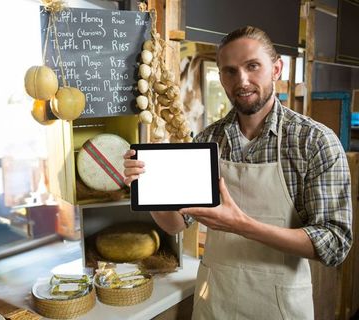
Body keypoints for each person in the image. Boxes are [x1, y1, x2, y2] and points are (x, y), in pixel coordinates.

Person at [123, 26, 353, 319]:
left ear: (276, 69)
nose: (242, 80)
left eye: (252, 66)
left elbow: (334, 244)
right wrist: (145, 187)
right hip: (216, 301)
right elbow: (176, 224)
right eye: (230, 71)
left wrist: (241, 224)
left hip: (280, 306)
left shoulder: (314, 142)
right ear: (221, 78)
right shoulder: (207, 141)